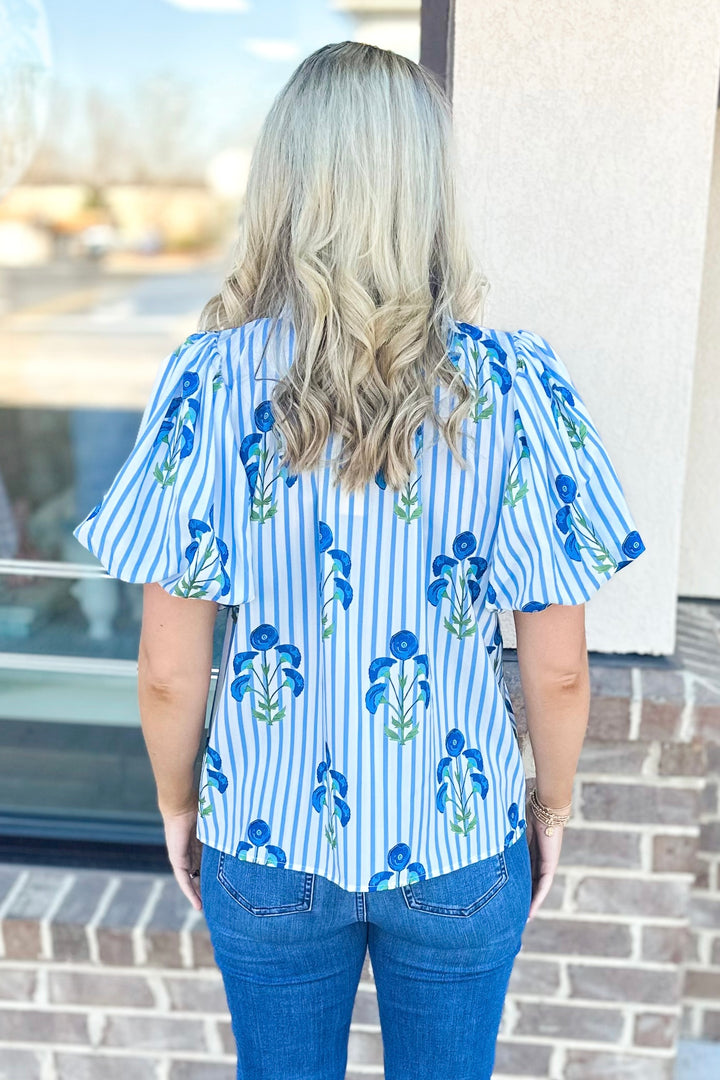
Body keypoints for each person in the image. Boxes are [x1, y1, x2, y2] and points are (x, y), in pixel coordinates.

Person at [73, 40, 647, 1080]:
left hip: (265, 833)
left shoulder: (210, 384)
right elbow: (559, 669)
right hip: (461, 836)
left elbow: (166, 667)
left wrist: (175, 804)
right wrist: (551, 809)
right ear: (427, 193)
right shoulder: (513, 388)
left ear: (285, 187)